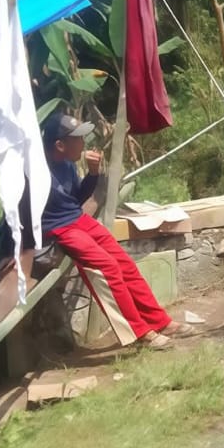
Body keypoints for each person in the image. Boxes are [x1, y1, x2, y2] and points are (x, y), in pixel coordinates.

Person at [41, 113, 176, 350]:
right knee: (108, 268)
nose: (83, 143)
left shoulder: (68, 166)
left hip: (78, 219)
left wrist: (92, 175)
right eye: (77, 138)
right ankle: (139, 333)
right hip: (58, 228)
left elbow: (77, 198)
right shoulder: (36, 173)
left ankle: (159, 321)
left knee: (124, 263)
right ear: (60, 145)